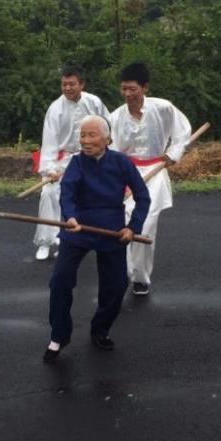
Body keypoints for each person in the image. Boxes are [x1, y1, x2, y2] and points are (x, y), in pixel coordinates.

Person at [43, 115, 150, 363]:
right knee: (59, 281)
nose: (85, 140)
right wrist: (69, 217)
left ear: (107, 139)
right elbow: (67, 193)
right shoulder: (76, 163)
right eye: (82, 135)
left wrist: (132, 228)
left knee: (116, 285)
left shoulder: (122, 162)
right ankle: (59, 335)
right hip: (77, 229)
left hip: (111, 231)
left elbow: (143, 197)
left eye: (92, 135)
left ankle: (100, 329)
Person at [108, 62, 191, 296]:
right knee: (122, 226)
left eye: (132, 89)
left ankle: (141, 278)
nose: (127, 94)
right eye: (123, 89)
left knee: (144, 225)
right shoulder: (115, 117)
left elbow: (182, 132)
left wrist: (174, 154)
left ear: (145, 87)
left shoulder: (163, 108)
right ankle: (121, 273)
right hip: (125, 173)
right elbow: (111, 150)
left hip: (154, 172)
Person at [33, 64, 109, 261]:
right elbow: (48, 141)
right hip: (63, 158)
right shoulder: (55, 108)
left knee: (86, 198)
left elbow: (108, 129)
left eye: (72, 84)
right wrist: (49, 170)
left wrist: (105, 155)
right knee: (49, 193)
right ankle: (45, 242)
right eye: (64, 84)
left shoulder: (94, 102)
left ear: (81, 84)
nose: (67, 88)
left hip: (90, 157)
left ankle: (72, 241)